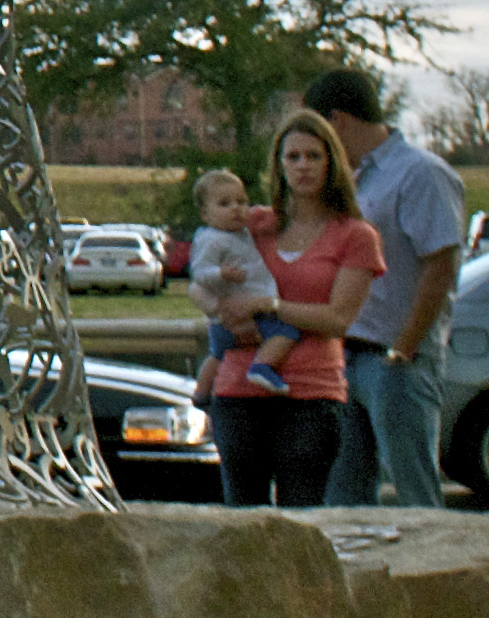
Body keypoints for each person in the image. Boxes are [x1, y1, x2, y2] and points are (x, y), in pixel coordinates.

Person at [302, 66, 468, 508]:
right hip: (346, 355)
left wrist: (406, 345)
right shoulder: (356, 180)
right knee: (344, 493)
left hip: (394, 360)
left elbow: (441, 263)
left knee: (413, 489)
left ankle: (435, 575)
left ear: (337, 120)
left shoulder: (421, 173)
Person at [207, 110, 382, 510]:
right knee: (242, 520)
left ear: (331, 162)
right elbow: (210, 279)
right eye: (293, 157)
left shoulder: (355, 235)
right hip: (238, 388)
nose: (302, 166)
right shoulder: (252, 226)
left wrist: (269, 306)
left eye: (313, 156)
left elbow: (337, 319)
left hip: (310, 393)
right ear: (279, 165)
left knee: (301, 518)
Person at [183, 169, 300, 398]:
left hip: (229, 318)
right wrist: (221, 274)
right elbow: (199, 273)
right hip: (244, 312)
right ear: (205, 214)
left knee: (217, 355)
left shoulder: (243, 232)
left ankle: (200, 393)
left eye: (242, 201)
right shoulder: (212, 239)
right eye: (225, 204)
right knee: (286, 331)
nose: (236, 208)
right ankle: (262, 367)